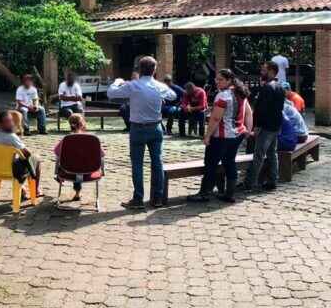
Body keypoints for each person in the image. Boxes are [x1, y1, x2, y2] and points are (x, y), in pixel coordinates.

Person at [107, 56, 176, 209]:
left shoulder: (133, 85)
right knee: (157, 163)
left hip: (138, 128)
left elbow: (111, 93)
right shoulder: (159, 86)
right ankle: (157, 198)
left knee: (137, 164)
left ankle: (138, 199)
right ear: (155, 70)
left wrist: (118, 81)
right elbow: (173, 95)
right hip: (156, 127)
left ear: (139, 69)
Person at [187, 70, 252, 204]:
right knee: (230, 162)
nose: (217, 82)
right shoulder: (241, 93)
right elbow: (248, 114)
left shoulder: (223, 96)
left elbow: (216, 118)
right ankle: (229, 194)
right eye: (216, 79)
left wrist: (207, 136)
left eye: (221, 79)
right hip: (237, 134)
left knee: (210, 164)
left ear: (229, 80)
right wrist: (248, 131)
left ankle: (204, 193)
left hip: (222, 136)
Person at [243, 61, 285, 191]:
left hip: (266, 127)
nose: (261, 72)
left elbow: (262, 109)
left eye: (264, 70)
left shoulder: (268, 88)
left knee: (258, 155)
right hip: (275, 126)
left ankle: (250, 183)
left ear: (272, 71)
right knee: (272, 154)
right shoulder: (280, 87)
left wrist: (257, 126)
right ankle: (273, 180)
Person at [0, 110, 42, 196]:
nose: (12, 123)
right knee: (36, 159)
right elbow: (27, 154)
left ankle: (21, 187)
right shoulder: (12, 137)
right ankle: (35, 190)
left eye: (11, 120)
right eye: (8, 121)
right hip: (13, 170)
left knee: (19, 160)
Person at [53, 114, 105, 202]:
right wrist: (102, 170)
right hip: (89, 171)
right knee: (81, 164)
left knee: (75, 165)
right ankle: (77, 193)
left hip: (69, 171)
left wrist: (56, 171)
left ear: (70, 125)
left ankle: (76, 192)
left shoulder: (66, 139)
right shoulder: (91, 139)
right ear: (83, 124)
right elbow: (102, 155)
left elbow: (57, 155)